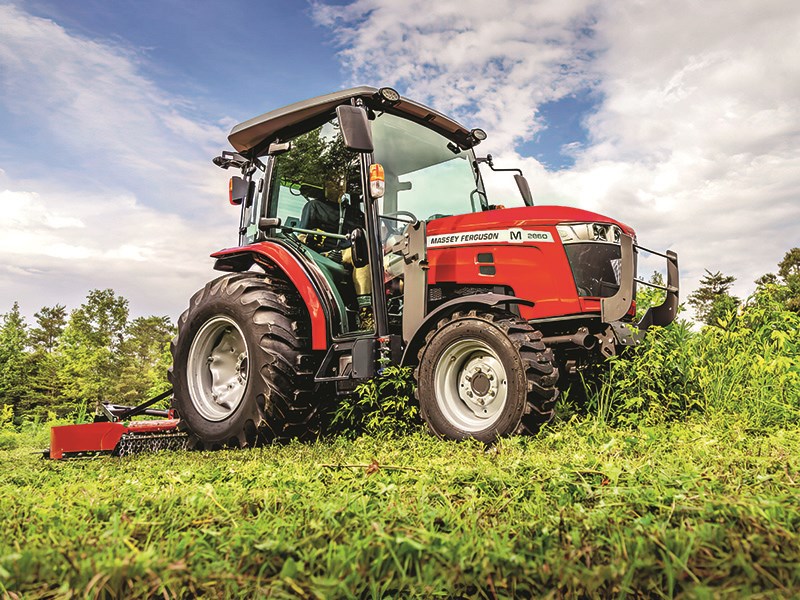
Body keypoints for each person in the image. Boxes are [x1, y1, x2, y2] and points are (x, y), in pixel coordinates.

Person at [299, 176, 374, 330]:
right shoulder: (314, 206)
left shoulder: (354, 213)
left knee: (362, 254)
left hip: (347, 252)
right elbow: (302, 236)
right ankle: (366, 315)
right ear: (325, 186)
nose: (337, 186)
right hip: (320, 255)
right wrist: (317, 238)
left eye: (340, 183)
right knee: (358, 255)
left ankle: (368, 310)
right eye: (331, 183)